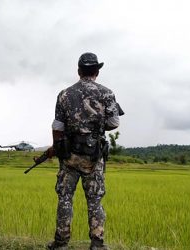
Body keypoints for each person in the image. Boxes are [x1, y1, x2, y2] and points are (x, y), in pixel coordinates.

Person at [48, 52, 123, 250]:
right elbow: (114, 122)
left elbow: (57, 126)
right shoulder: (107, 93)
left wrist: (58, 148)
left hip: (69, 155)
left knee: (65, 199)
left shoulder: (64, 94)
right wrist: (96, 127)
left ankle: (60, 243)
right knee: (95, 201)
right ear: (97, 71)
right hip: (94, 156)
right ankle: (97, 244)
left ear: (79, 71)